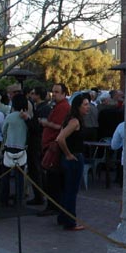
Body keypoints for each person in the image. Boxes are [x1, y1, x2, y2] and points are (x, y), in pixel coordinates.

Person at [55, 92, 90, 231]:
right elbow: (60, 138)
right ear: (78, 106)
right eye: (85, 105)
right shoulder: (74, 121)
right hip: (73, 158)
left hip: (70, 158)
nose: (88, 107)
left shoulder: (71, 120)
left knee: (66, 190)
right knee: (71, 191)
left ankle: (63, 217)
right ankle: (70, 221)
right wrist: (68, 154)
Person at [38, 82, 70, 216]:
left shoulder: (63, 107)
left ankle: (54, 205)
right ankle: (54, 205)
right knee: (51, 178)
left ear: (64, 93)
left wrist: (46, 123)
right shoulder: (56, 106)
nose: (54, 94)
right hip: (49, 145)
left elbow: (60, 126)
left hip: (54, 147)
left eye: (57, 92)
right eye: (53, 92)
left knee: (53, 179)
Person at [1, 93, 29, 206]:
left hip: (9, 147)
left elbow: (3, 130)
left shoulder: (10, 116)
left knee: (5, 175)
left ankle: (4, 198)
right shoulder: (26, 117)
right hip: (21, 148)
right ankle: (19, 199)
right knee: (19, 176)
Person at [25, 86, 50, 205]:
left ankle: (39, 195)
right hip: (38, 141)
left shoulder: (43, 109)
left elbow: (37, 127)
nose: (31, 95)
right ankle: (41, 194)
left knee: (36, 169)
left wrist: (27, 119)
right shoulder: (40, 107)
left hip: (37, 142)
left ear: (38, 95)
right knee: (38, 169)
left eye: (33, 93)